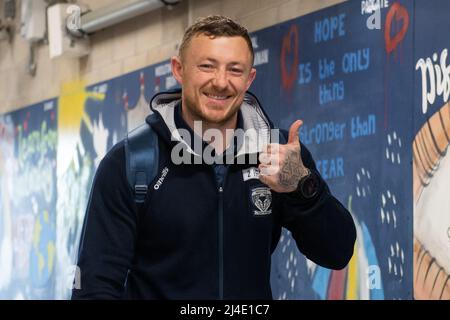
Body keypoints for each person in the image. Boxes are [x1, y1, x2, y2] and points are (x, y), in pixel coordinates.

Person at [72, 15, 356, 300]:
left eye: (235, 70)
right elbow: (96, 287)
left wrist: (303, 187)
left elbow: (338, 253)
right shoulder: (132, 162)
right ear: (179, 70)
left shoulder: (276, 154)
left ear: (249, 79)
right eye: (207, 66)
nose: (221, 82)